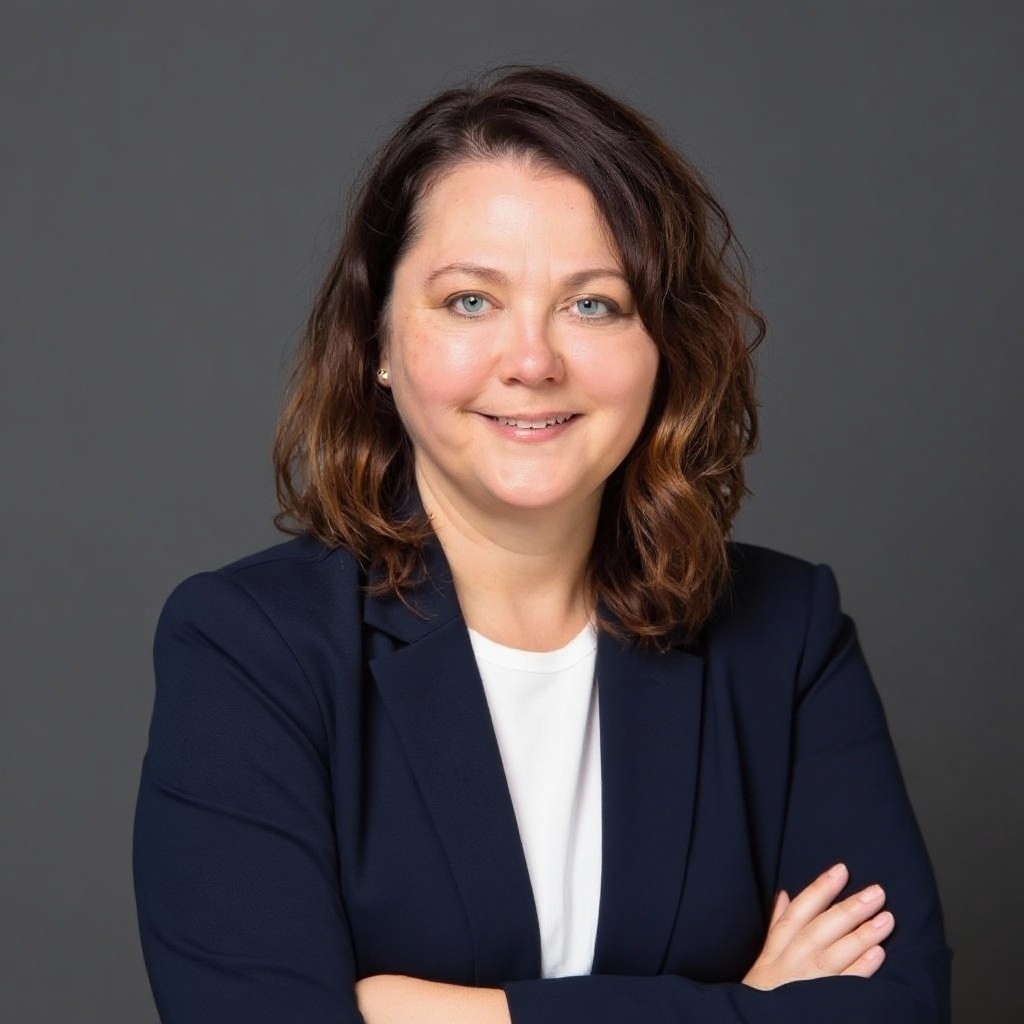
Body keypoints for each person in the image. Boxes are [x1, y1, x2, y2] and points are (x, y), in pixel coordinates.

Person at [132, 66, 952, 1023]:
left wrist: (461, 1014)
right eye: (470, 301)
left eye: (592, 304)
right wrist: (740, 1006)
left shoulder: (785, 637)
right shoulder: (249, 649)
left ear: (666, 347)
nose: (532, 361)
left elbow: (898, 1010)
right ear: (379, 341)